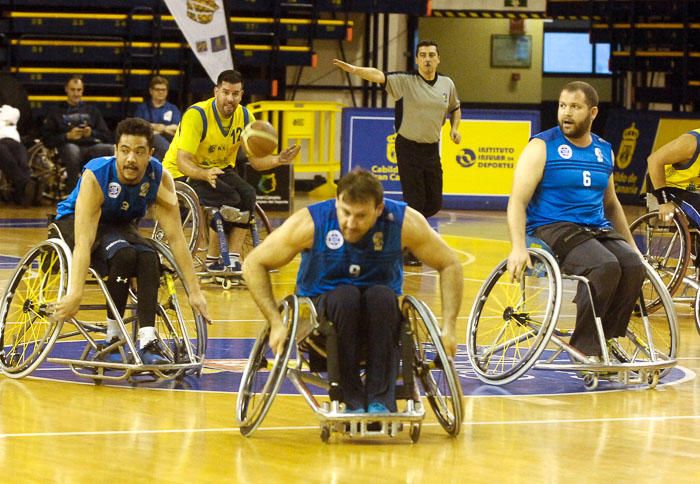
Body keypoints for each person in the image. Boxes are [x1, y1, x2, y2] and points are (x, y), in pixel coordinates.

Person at [243, 169, 463, 413]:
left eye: (360, 216)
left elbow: (450, 264)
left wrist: (449, 328)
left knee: (381, 296)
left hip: (380, 325)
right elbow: (254, 263)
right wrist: (275, 322)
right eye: (345, 213)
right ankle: (351, 400)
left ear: (379, 209)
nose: (350, 223)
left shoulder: (402, 222)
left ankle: (380, 402)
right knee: (345, 296)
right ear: (337, 202)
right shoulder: (311, 222)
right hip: (321, 328)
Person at [506, 81, 645, 361]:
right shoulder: (542, 146)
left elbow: (612, 205)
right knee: (604, 265)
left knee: (632, 265)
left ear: (592, 113)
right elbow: (517, 201)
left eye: (575, 107)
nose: (566, 113)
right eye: (562, 106)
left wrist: (633, 248)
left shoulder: (603, 150)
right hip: (551, 228)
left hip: (594, 229)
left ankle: (605, 337)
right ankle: (584, 346)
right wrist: (518, 247)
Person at [53, 117, 209, 364]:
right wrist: (75, 293)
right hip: (74, 224)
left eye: (139, 152)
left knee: (148, 256)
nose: (131, 159)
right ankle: (113, 336)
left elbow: (177, 239)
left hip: (119, 227)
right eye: (124, 151)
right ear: (115, 150)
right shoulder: (98, 176)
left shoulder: (159, 178)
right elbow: (84, 243)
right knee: (124, 253)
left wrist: (195, 291)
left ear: (151, 154)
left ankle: (148, 340)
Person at [332, 40, 462, 266]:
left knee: (433, 204)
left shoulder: (447, 84)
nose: (427, 59)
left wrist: (455, 128)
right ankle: (409, 249)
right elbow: (378, 75)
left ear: (438, 59)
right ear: (417, 59)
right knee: (416, 203)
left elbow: (455, 108)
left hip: (432, 149)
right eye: (423, 55)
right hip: (408, 147)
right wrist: (354, 70)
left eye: (432, 54)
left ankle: (396, 231)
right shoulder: (404, 81)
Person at [163, 69, 300, 274]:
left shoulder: (245, 116)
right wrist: (203, 174)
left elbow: (255, 162)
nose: (230, 98)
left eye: (235, 94)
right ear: (216, 91)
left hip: (219, 169)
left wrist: (278, 159)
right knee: (228, 197)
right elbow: (183, 161)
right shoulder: (197, 115)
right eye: (225, 92)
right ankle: (212, 259)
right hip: (183, 172)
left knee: (247, 195)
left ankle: (233, 258)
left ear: (241, 95)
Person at [41, 75, 113, 192]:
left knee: (110, 149)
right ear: (66, 90)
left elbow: (106, 135)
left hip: (91, 146)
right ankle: (74, 195)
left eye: (79, 90)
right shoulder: (56, 111)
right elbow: (47, 139)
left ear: (82, 91)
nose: (76, 93)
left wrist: (91, 133)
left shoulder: (92, 111)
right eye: (73, 90)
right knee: (72, 150)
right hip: (67, 146)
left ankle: (107, 193)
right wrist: (67, 136)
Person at [647, 128, 700, 224]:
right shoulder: (691, 142)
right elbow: (653, 160)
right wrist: (664, 201)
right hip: (667, 185)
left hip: (693, 189)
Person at [133, 76, 182, 162]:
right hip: (147, 142)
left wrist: (160, 128)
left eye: (163, 90)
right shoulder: (142, 108)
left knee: (157, 152)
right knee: (154, 136)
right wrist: (163, 128)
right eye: (157, 89)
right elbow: (138, 127)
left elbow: (177, 128)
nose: (161, 92)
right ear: (151, 91)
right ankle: (173, 159)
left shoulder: (172, 108)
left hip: (168, 140)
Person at [0, 104, 37, 206]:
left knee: (22, 162)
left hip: (14, 141)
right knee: (6, 156)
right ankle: (25, 183)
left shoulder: (7, 109)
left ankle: (23, 193)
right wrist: (6, 122)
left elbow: (15, 114)